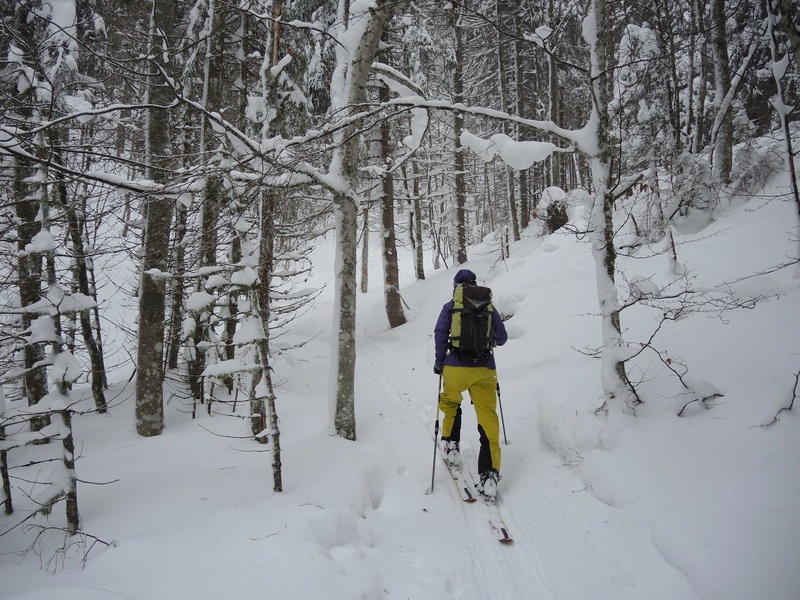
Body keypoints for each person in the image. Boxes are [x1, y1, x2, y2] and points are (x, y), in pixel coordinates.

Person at [434, 269, 508, 498]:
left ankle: (451, 445)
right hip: (484, 369)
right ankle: (489, 473)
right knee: (487, 416)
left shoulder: (451, 307)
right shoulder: (489, 307)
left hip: (455, 367)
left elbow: (440, 334)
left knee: (451, 404)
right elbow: (502, 338)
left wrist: (440, 361)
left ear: (457, 286)